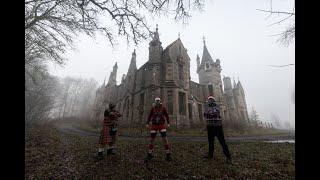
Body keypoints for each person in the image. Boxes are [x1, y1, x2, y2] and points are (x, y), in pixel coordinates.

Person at [203, 96, 232, 164]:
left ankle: (228, 157)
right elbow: (205, 115)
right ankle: (210, 155)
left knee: (222, 142)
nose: (209, 101)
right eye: (209, 100)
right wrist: (210, 114)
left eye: (211, 100)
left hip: (217, 126)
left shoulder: (217, 106)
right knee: (210, 142)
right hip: (210, 126)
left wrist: (210, 114)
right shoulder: (206, 107)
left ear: (213, 100)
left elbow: (216, 114)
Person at [145, 97, 172, 161]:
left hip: (161, 125)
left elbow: (167, 115)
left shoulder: (163, 108)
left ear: (160, 101)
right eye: (156, 101)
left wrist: (168, 123)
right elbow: (149, 115)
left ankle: (168, 155)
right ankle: (149, 154)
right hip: (154, 125)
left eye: (158, 101)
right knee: (152, 140)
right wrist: (147, 123)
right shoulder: (153, 108)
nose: (157, 102)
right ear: (155, 101)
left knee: (165, 139)